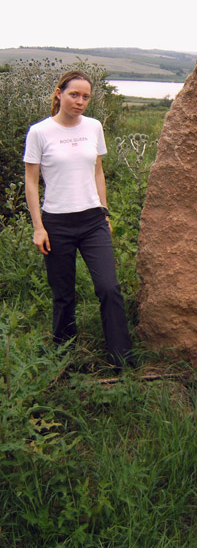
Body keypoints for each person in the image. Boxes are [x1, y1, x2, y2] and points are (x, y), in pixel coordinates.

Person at [24, 70, 133, 369]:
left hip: (92, 221)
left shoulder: (94, 127)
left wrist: (104, 210)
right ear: (59, 93)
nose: (80, 102)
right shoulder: (39, 132)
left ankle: (122, 360)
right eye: (74, 94)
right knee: (63, 294)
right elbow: (31, 182)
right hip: (56, 223)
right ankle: (64, 356)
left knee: (109, 287)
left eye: (86, 96)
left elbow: (98, 171)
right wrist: (38, 227)